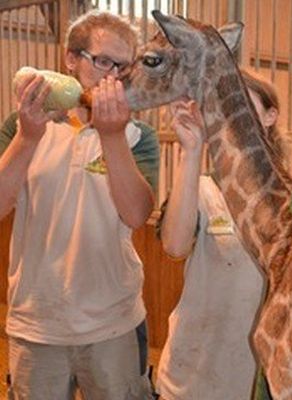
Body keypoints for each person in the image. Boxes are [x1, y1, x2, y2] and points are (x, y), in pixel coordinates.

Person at [0, 10, 159, 399]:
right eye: (103, 61)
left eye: (123, 67)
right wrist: (28, 136)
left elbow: (136, 214)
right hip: (36, 325)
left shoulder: (138, 135)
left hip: (113, 325)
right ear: (71, 60)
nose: (112, 77)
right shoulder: (21, 126)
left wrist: (113, 136)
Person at [155, 70, 292, 400]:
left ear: (270, 116)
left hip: (264, 382)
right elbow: (174, 246)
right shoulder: (203, 188)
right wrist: (191, 152)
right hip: (193, 377)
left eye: (241, 106)